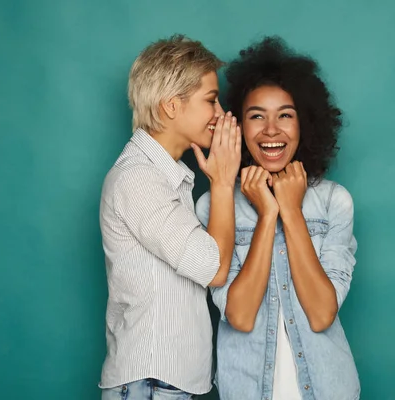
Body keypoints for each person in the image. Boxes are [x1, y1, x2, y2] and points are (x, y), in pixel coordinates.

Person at [195, 37, 360, 400]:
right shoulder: (213, 206)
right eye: (257, 116)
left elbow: (321, 314)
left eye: (285, 115)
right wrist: (268, 213)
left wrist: (292, 210)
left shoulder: (335, 201)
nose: (271, 130)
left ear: (305, 124)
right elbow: (239, 316)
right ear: (238, 126)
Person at [99, 34, 241, 399]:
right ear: (171, 106)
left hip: (161, 383)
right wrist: (223, 183)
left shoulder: (166, 176)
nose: (221, 113)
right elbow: (213, 268)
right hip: (151, 384)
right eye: (211, 99)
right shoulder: (139, 178)